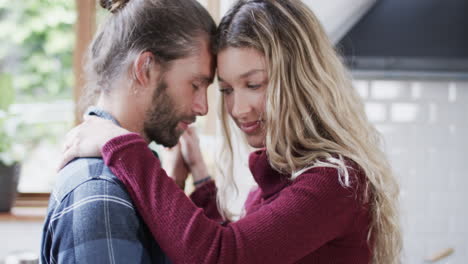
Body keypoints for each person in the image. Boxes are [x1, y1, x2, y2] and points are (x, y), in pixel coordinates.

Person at [60, 0, 402, 263]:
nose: (238, 109)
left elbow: (221, 255)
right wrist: (200, 181)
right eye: (225, 90)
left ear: (301, 81)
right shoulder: (286, 177)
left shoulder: (334, 183)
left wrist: (121, 146)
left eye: (253, 84)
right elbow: (239, 242)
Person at [40, 0, 216, 263]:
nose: (203, 107)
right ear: (145, 69)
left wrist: (176, 185)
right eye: (195, 85)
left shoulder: (124, 182)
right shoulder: (101, 195)